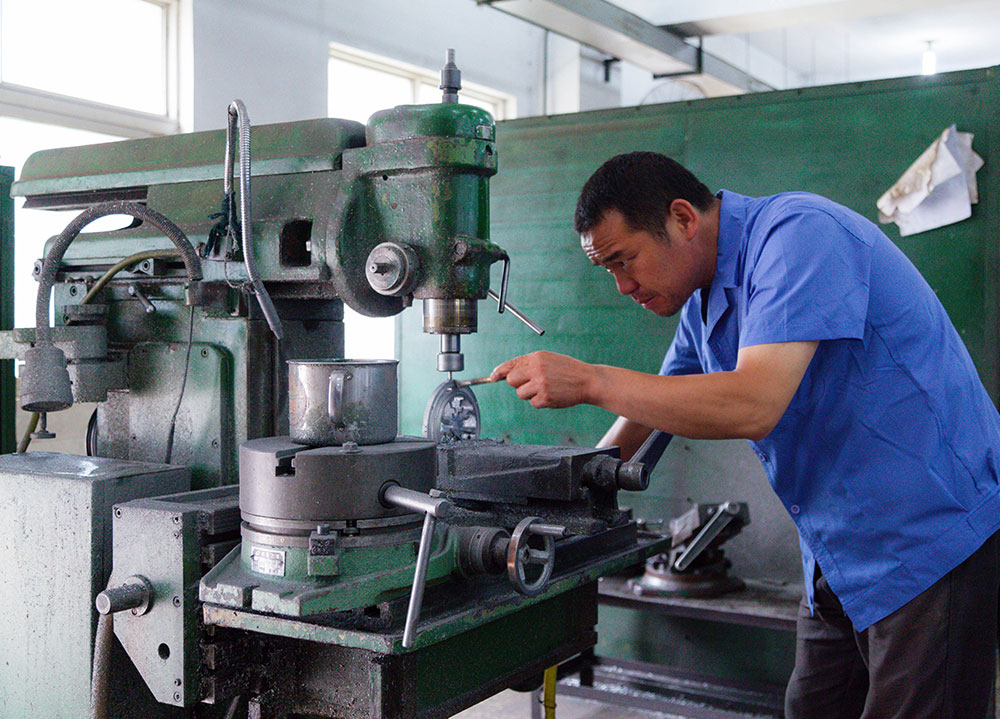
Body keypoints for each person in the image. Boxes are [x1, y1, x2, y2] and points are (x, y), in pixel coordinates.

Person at [489, 151, 1000, 719]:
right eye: (607, 269)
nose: (622, 285)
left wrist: (589, 379)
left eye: (624, 260)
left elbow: (754, 404)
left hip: (929, 537)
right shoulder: (703, 303)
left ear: (682, 218)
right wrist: (556, 499)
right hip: (838, 550)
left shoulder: (799, 236)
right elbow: (651, 413)